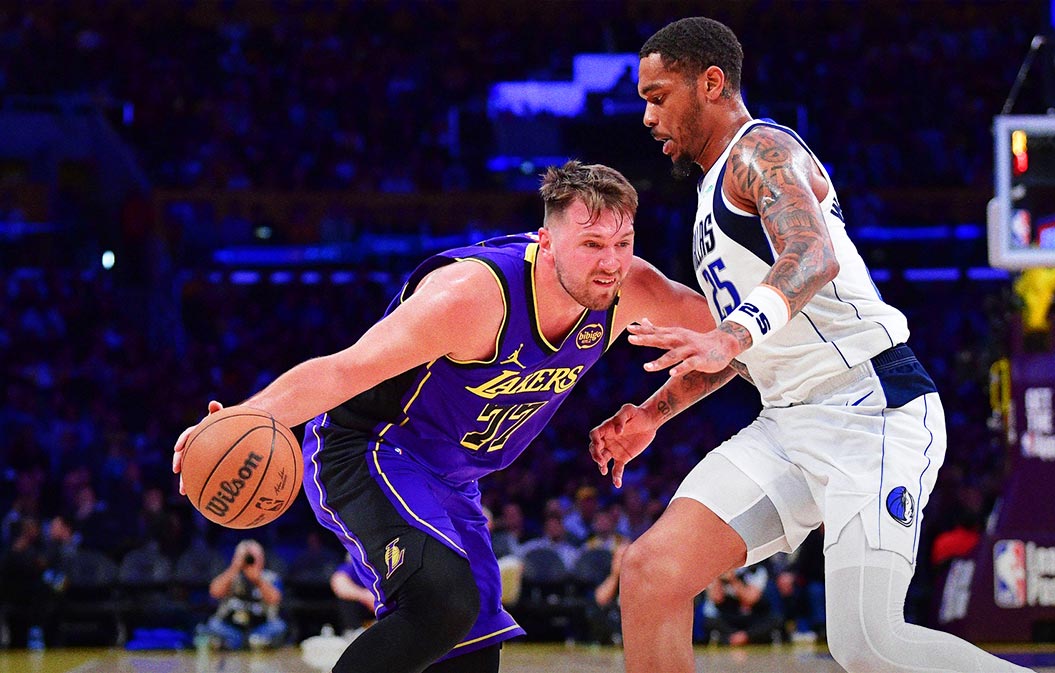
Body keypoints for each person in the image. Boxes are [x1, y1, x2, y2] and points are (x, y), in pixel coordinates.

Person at [588, 17, 1035, 673]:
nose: (648, 117)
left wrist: (730, 332)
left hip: (871, 403)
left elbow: (811, 255)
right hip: (790, 422)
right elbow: (737, 349)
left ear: (711, 83)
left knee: (868, 642)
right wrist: (652, 413)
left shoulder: (760, 149)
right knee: (651, 572)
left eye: (658, 96)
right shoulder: (710, 198)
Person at [172, 161, 715, 673]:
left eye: (623, 243)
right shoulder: (474, 296)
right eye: (592, 244)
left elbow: (733, 340)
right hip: (369, 450)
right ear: (547, 243)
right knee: (443, 602)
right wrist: (241, 417)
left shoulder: (629, 289)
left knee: (474, 645)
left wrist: (654, 413)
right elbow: (342, 371)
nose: (611, 262)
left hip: (451, 480)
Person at [197, 539, 288, 650]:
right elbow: (214, 592)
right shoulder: (231, 575)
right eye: (245, 557)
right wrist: (235, 567)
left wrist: (257, 579)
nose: (248, 560)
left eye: (252, 557)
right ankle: (239, 642)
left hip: (260, 626)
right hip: (231, 625)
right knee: (213, 624)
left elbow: (275, 599)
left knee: (279, 626)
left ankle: (247, 642)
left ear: (261, 558)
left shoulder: (270, 577)